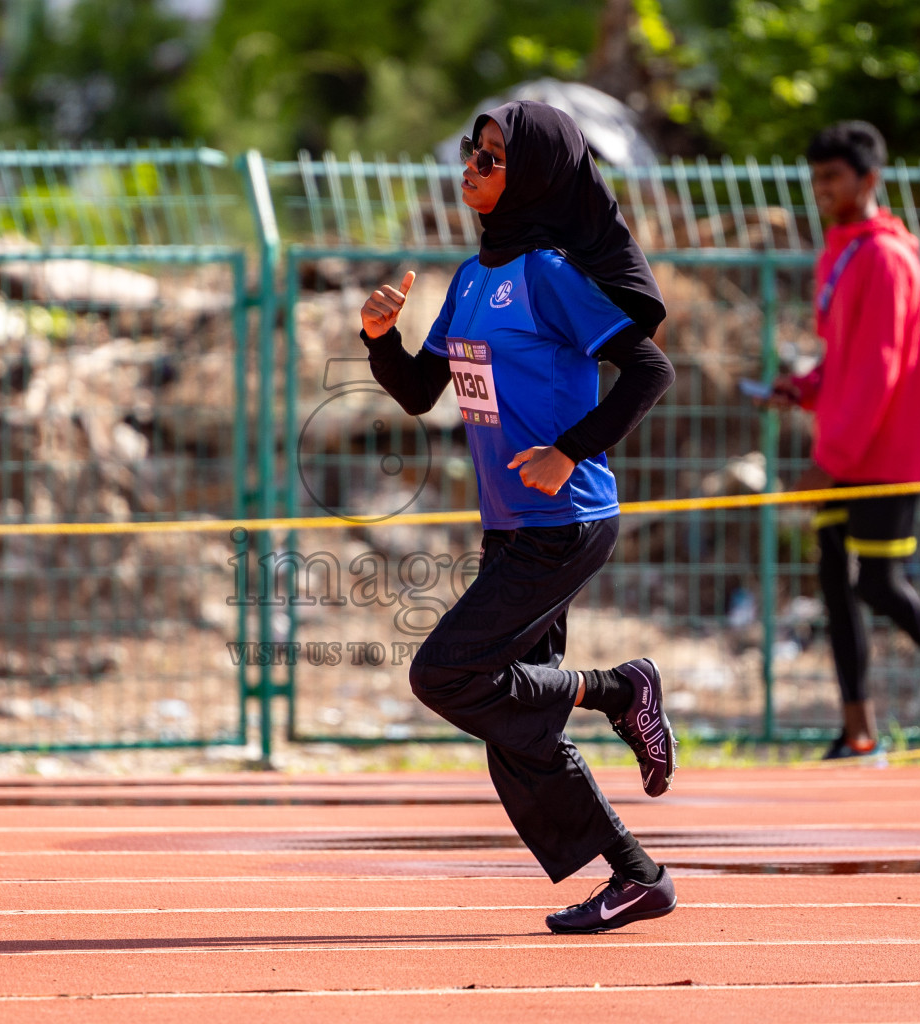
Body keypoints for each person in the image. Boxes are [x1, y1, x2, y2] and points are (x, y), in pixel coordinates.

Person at [359, 101, 678, 933]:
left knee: (444, 674)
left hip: (564, 519)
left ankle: (617, 689)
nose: (472, 165)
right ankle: (637, 875)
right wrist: (380, 340)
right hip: (510, 527)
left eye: (493, 158)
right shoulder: (469, 280)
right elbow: (424, 393)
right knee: (516, 732)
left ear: (531, 177)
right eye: (472, 150)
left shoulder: (547, 273)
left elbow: (649, 370)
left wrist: (571, 448)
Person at [769, 121, 920, 759]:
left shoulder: (888, 255)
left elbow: (881, 368)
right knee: (836, 580)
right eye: (817, 178)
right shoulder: (843, 247)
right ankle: (858, 729)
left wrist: (829, 462)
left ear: (868, 179)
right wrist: (806, 388)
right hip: (846, 444)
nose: (823, 189)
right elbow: (847, 358)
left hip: (885, 452)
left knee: (880, 584)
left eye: (834, 177)